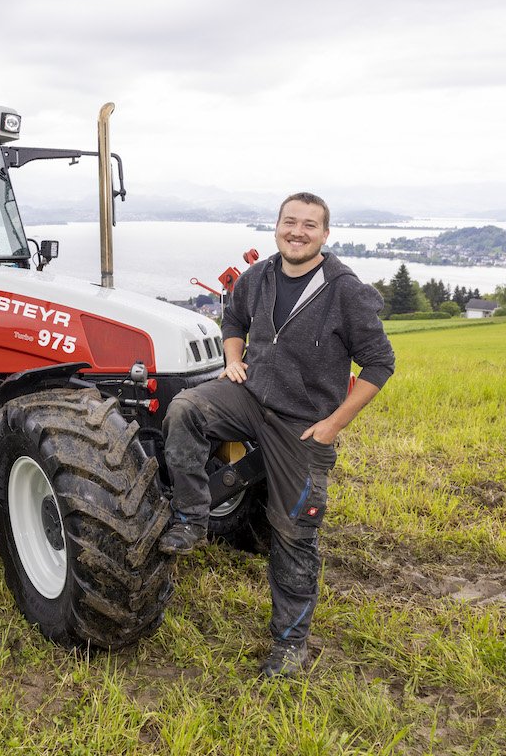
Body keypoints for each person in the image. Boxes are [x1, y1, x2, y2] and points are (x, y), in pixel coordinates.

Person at [159, 191, 395, 678]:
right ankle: (191, 517)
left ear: (325, 235)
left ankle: (290, 644)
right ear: (277, 227)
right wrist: (232, 359)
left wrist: (333, 425)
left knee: (294, 532)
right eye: (290, 222)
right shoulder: (260, 275)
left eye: (310, 225)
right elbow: (233, 319)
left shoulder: (344, 289)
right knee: (186, 408)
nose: (298, 231)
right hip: (251, 399)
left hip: (302, 422)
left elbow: (380, 363)